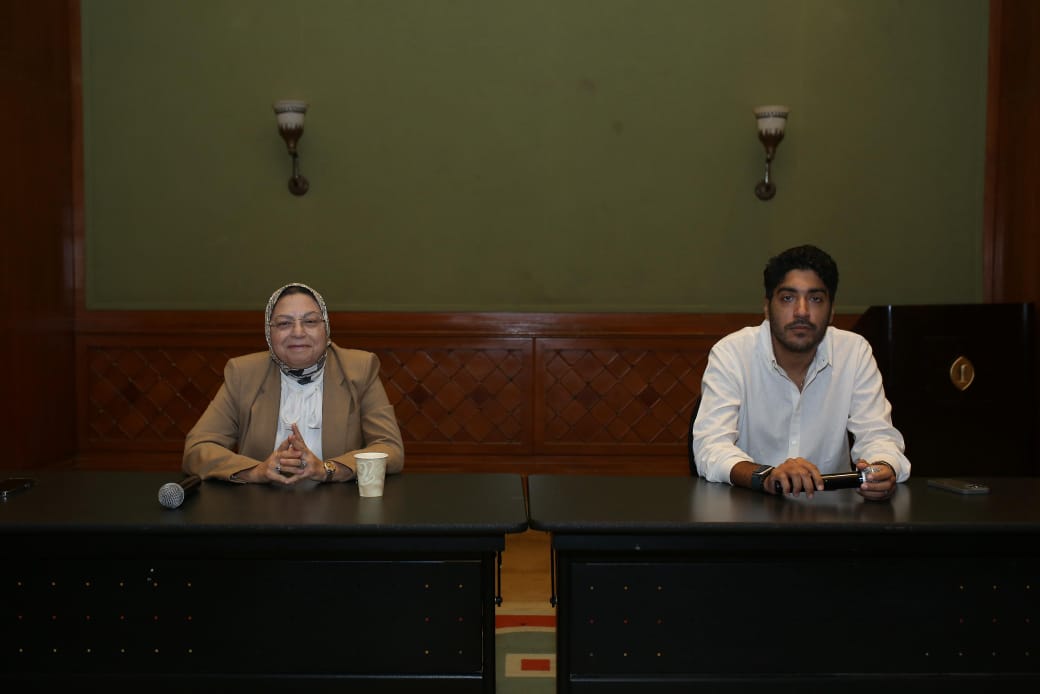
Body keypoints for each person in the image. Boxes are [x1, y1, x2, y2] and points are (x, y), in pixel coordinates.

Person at [691, 245, 909, 501]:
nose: (802, 311)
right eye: (788, 298)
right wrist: (766, 476)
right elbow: (711, 447)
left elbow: (878, 436)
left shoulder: (854, 352)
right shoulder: (732, 354)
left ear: (831, 310)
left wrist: (882, 467)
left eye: (815, 299)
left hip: (833, 515)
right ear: (767, 307)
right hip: (750, 511)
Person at [183, 282, 404, 484]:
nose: (298, 333)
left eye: (310, 321)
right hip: (260, 505)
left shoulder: (359, 369)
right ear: (269, 333)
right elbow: (198, 449)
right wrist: (255, 471)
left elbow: (390, 448)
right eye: (284, 323)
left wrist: (328, 469)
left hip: (339, 504)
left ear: (326, 328)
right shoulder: (243, 373)